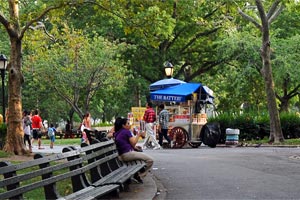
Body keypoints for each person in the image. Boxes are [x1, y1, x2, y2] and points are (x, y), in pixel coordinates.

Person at [113, 117, 153, 183]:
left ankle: (137, 174)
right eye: (128, 123)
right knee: (150, 160)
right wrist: (139, 134)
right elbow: (133, 143)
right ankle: (139, 176)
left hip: (122, 154)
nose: (130, 125)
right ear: (123, 125)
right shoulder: (126, 131)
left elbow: (126, 143)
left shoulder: (118, 132)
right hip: (127, 154)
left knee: (140, 159)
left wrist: (134, 147)